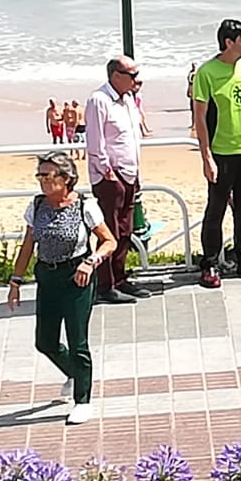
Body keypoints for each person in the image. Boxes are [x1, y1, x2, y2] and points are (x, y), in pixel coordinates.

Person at [6, 150, 117, 428]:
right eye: (39, 175)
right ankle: (74, 373)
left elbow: (109, 241)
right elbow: (28, 245)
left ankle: (83, 400)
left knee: (77, 339)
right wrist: (15, 281)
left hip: (76, 276)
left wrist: (91, 262)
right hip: (47, 276)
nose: (42, 180)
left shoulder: (84, 206)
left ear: (66, 178)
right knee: (45, 341)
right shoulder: (38, 206)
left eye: (47, 175)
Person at [193, 18, 241, 287]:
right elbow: (200, 119)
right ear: (229, 42)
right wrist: (206, 157)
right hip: (221, 153)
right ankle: (210, 263)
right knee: (216, 209)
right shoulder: (207, 72)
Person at [85, 55, 149, 304]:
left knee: (125, 230)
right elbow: (95, 141)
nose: (137, 80)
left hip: (130, 173)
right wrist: (107, 173)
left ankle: (120, 278)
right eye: (132, 75)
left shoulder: (128, 99)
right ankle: (105, 284)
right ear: (116, 76)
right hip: (111, 177)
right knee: (108, 231)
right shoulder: (99, 100)